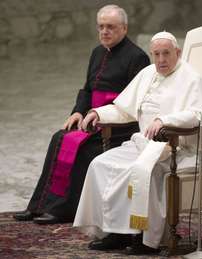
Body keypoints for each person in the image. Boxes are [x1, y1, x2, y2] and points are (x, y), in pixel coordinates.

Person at [73, 31, 202, 255]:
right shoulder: (147, 73)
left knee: (142, 171)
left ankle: (144, 238)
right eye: (156, 54)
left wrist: (165, 120)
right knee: (100, 164)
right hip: (145, 145)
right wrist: (97, 113)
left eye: (166, 54)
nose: (161, 60)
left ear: (177, 52)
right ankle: (115, 232)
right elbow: (122, 108)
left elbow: (201, 114)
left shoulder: (192, 78)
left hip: (179, 150)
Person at [13, 5, 150, 224]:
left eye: (111, 27)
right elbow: (87, 89)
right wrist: (77, 111)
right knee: (59, 137)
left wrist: (102, 116)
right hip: (90, 120)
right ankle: (38, 205)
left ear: (124, 28)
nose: (105, 31)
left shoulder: (138, 57)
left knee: (83, 149)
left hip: (117, 126)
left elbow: (134, 103)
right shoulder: (97, 52)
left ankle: (63, 210)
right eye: (101, 27)